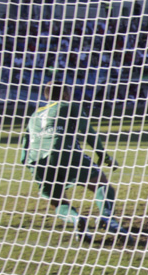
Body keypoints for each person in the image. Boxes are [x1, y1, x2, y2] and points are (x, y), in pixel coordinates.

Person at [20, 74, 126, 242]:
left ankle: (76, 220)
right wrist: (104, 156)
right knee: (102, 184)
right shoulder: (69, 106)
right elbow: (88, 133)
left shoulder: (34, 115)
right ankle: (107, 219)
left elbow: (24, 151)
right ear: (65, 94)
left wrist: (33, 168)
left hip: (37, 159)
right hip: (64, 152)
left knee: (58, 201)